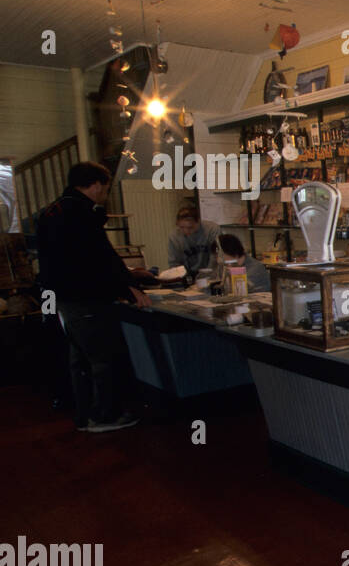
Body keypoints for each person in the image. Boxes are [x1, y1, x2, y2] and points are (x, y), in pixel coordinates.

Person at [35, 161, 150, 432]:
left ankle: (85, 415)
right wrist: (129, 287)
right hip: (84, 297)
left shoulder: (53, 210)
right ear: (96, 184)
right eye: (106, 188)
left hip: (62, 297)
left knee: (80, 358)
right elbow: (100, 257)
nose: (105, 194)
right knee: (101, 358)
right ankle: (104, 416)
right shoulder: (79, 213)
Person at [168, 205, 220, 278]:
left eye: (190, 227)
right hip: (188, 277)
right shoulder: (174, 237)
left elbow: (216, 256)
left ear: (198, 222)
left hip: (211, 274)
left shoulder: (212, 230)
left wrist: (206, 275)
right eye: (181, 227)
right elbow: (174, 263)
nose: (186, 231)